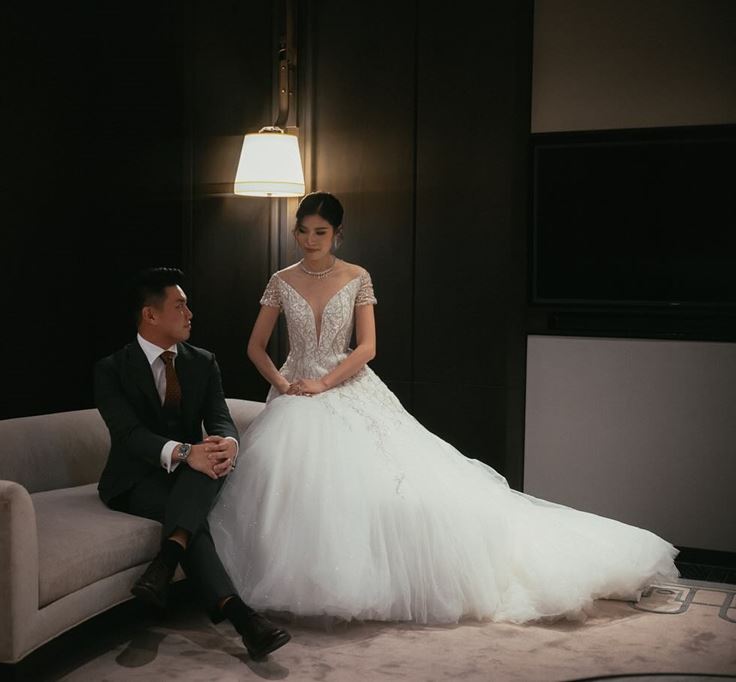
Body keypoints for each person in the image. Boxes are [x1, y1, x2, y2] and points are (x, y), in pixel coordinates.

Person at [208, 192, 679, 623]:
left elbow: (368, 347)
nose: (310, 240)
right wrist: (284, 385)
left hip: (344, 383)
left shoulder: (356, 277)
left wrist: (324, 382)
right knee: (284, 475)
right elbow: (255, 347)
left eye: (320, 232)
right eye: (303, 231)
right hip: (295, 390)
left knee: (395, 480)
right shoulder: (281, 280)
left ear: (337, 234)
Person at [93, 267, 291, 658]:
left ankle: (168, 561)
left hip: (189, 476)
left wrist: (229, 443)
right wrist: (187, 452)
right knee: (195, 502)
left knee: (214, 461)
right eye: (180, 306)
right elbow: (130, 436)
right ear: (150, 315)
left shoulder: (202, 362)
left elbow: (220, 418)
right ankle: (242, 618)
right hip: (133, 480)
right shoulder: (111, 370)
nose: (190, 314)